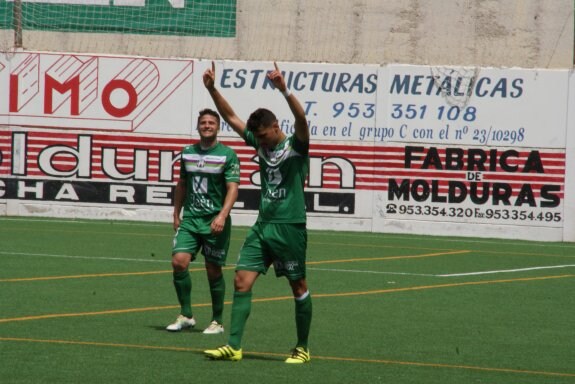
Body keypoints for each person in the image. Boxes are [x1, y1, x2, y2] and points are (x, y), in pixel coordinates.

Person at [202, 62, 313, 364]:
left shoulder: (297, 146)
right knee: (241, 280)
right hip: (263, 226)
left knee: (298, 286)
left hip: (289, 227)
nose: (260, 141)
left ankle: (302, 347)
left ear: (277, 127)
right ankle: (234, 346)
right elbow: (231, 117)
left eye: (264, 135)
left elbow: (301, 118)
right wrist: (212, 89)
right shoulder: (260, 143)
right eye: (258, 137)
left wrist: (284, 90)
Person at [167, 108, 240, 335]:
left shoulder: (228, 155)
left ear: (218, 127)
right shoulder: (187, 152)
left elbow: (233, 188)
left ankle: (217, 321)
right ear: (198, 126)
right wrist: (176, 213)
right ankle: (186, 315)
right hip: (191, 220)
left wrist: (222, 215)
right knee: (179, 261)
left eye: (211, 122)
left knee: (213, 269)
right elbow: (182, 184)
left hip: (214, 222)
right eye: (203, 122)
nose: (207, 125)